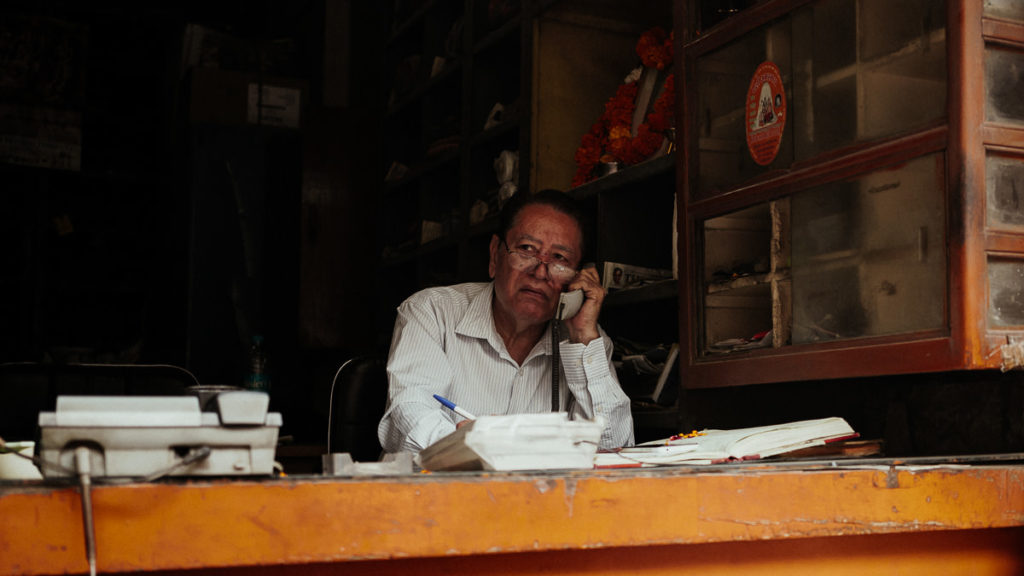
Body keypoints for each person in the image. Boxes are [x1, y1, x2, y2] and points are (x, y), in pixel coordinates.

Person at [378, 189, 634, 454]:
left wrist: (583, 339)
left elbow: (614, 450)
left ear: (578, 278)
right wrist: (480, 448)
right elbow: (409, 417)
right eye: (526, 249)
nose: (539, 272)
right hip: (434, 491)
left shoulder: (586, 339)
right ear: (494, 255)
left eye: (559, 258)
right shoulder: (432, 311)